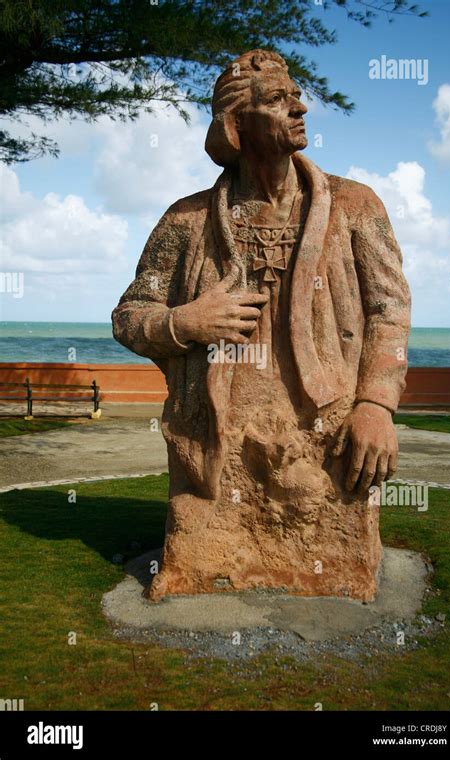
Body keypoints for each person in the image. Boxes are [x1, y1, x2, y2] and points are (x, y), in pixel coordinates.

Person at [112, 49, 411, 602]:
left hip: (325, 431)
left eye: (296, 96)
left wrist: (376, 404)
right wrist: (185, 322)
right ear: (235, 125)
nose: (300, 109)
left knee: (337, 558)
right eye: (277, 101)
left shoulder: (354, 206)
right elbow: (130, 317)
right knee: (199, 545)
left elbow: (388, 310)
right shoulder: (187, 220)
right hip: (218, 436)